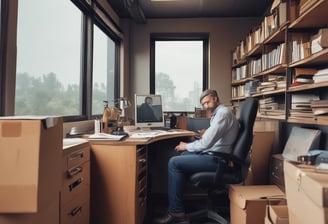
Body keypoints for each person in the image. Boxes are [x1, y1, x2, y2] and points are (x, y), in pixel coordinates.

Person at [154, 89, 240, 224]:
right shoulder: (220, 114)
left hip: (218, 160)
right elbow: (217, 136)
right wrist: (206, 133)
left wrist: (186, 145)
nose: (206, 106)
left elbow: (206, 144)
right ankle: (176, 204)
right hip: (216, 154)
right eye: (204, 104)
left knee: (174, 162)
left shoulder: (223, 114)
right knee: (183, 156)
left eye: (208, 102)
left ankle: (176, 212)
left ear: (216, 98)